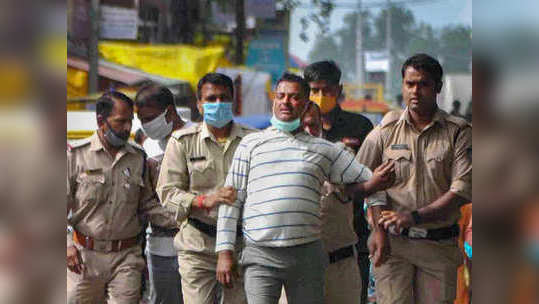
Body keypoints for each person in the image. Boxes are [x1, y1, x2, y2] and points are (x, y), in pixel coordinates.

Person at [215, 73, 394, 304]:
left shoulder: (325, 150)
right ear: (274, 101)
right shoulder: (251, 145)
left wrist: (378, 228)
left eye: (294, 97)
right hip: (260, 255)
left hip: (306, 256)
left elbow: (372, 182)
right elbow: (231, 200)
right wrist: (224, 252)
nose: (286, 102)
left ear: (307, 104)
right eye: (281, 96)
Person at [357, 53, 472, 304]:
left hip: (438, 245)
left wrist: (413, 217)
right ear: (402, 86)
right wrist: (377, 228)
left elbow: (461, 191)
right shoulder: (385, 130)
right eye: (410, 84)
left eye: (424, 84)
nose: (416, 91)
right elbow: (361, 180)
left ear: (438, 87)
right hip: (392, 246)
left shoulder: (458, 133)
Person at [66, 91, 176, 304]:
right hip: (84, 258)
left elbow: (147, 204)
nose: (127, 128)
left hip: (126, 258)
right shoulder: (76, 156)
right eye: (120, 122)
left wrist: (183, 220)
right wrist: (66, 245)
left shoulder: (137, 157)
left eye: (130, 122)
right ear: (101, 120)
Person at [156, 73, 253, 304]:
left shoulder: (252, 141)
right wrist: (203, 201)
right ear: (199, 104)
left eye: (224, 98)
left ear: (234, 102)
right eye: (211, 99)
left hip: (242, 244)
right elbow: (167, 192)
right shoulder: (182, 141)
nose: (218, 104)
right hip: (198, 244)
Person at [304, 60, 375, 304]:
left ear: (339, 90)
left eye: (327, 91)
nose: (320, 97)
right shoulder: (296, 129)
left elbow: (371, 179)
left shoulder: (360, 127)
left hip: (351, 237)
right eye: (314, 91)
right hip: (305, 238)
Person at [301, 101, 363, 304]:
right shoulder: (275, 160)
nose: (309, 132)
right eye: (302, 126)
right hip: (298, 270)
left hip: (340, 266)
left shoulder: (340, 153)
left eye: (313, 126)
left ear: (322, 127)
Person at [135, 85, 192, 304]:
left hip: (199, 244)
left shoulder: (197, 135)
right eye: (141, 120)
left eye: (149, 118)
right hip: (161, 247)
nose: (145, 125)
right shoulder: (147, 147)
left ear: (168, 112)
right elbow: (145, 198)